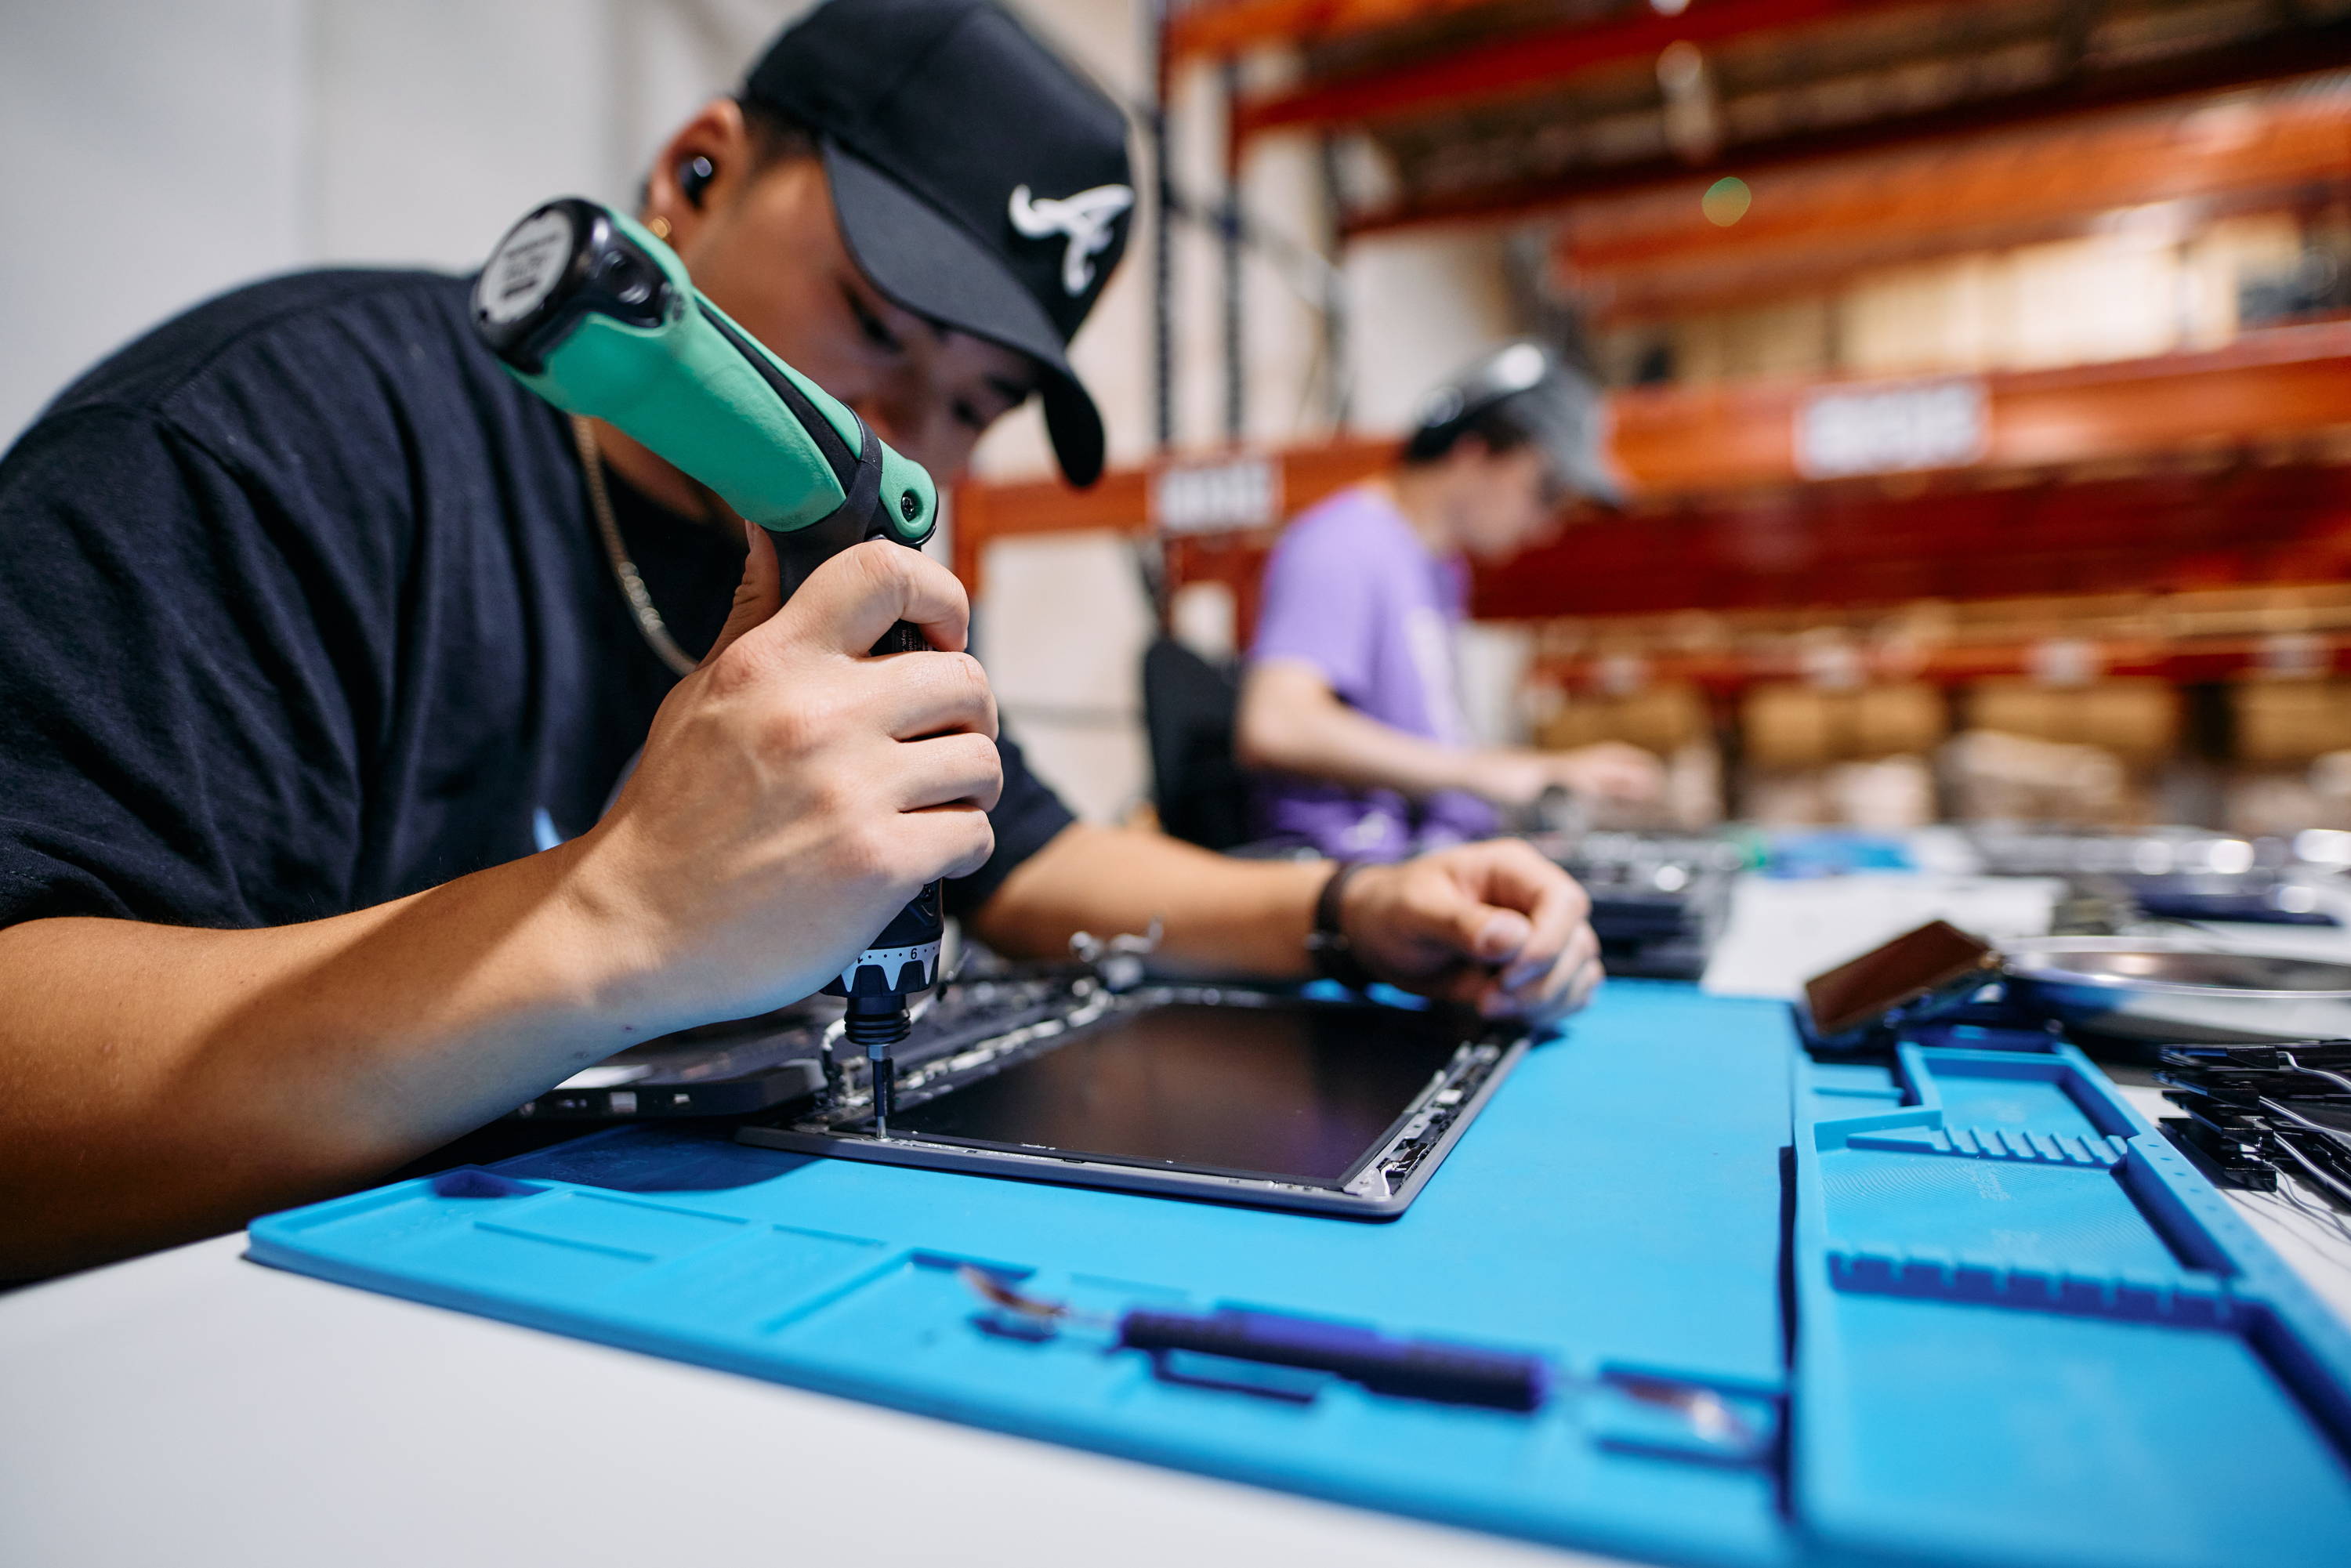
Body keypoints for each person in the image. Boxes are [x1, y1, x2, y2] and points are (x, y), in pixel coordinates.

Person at [0, 0, 1601, 1280]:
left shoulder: (825, 554)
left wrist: (1347, 905)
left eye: (972, 406)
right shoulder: (270, 442)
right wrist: (614, 915)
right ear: (694, 173)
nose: (894, 425)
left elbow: (1021, 852)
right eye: (880, 325)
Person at [1236, 342, 1664, 860]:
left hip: (1418, 858)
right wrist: (1492, 771)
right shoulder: (1343, 543)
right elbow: (1277, 723)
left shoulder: (1439, 569)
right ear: (1474, 451)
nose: (1547, 523)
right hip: (1352, 874)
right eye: (1546, 489)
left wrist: (1532, 775)